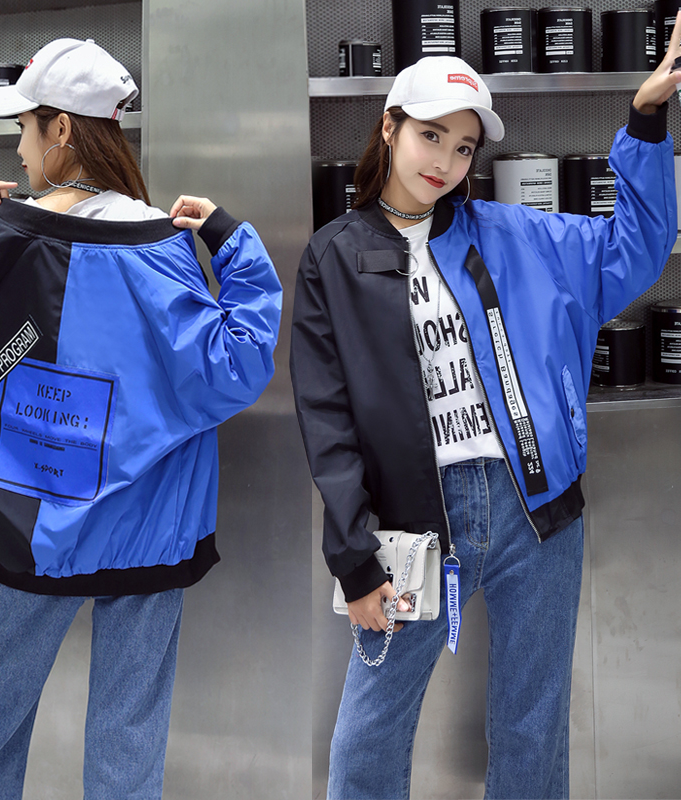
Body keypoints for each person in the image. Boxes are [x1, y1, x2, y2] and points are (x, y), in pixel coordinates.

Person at [291, 14, 681, 800]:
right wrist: (353, 557)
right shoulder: (334, 256)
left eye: (464, 147)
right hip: (411, 522)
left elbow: (634, 251)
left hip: (533, 511)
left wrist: (645, 120)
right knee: (367, 738)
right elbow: (327, 422)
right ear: (390, 128)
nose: (445, 162)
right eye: (431, 136)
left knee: (532, 727)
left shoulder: (515, 236)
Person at [0, 38, 282, 799]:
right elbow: (238, 364)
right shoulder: (165, 244)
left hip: (36, 528)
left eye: (24, 129)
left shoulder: (6, 239)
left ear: (61, 129)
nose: (20, 150)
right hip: (150, 529)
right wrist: (232, 242)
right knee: (128, 751)